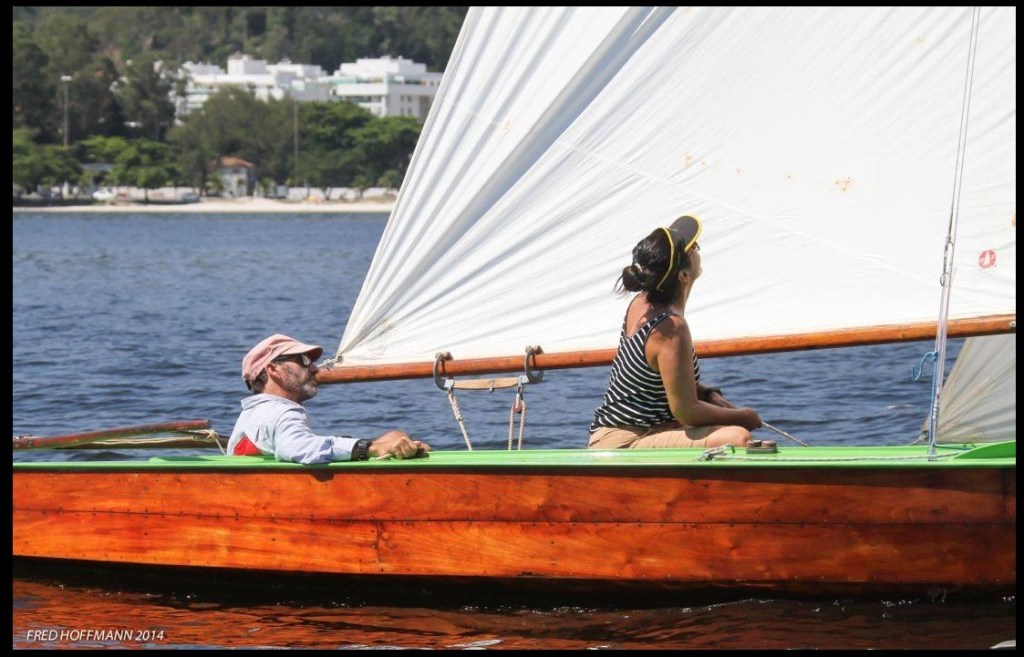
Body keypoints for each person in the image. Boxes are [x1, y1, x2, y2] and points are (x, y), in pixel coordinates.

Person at [589, 215, 762, 449]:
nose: (699, 251)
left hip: (627, 433)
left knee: (729, 432)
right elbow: (686, 411)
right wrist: (744, 416)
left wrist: (709, 394)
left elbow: (665, 379)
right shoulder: (670, 328)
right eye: (694, 249)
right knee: (738, 437)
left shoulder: (641, 303)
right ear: (683, 275)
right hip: (627, 442)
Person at [228, 333, 430, 463]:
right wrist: (371, 449)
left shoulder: (251, 415)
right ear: (273, 370)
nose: (315, 368)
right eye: (304, 361)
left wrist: (382, 443)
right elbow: (296, 447)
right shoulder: (284, 412)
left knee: (395, 435)